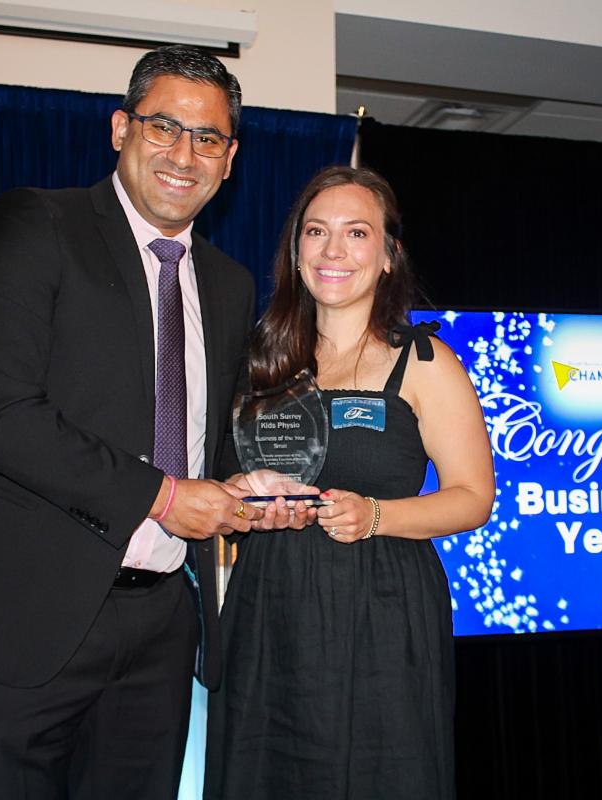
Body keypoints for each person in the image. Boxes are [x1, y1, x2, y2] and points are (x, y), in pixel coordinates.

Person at [0, 45, 269, 800]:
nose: (184, 155)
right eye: (164, 126)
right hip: (17, 616)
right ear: (121, 128)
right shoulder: (38, 225)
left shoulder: (229, 285)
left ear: (229, 161)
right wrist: (164, 496)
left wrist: (249, 487)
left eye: (208, 138)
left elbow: (203, 442)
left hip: (162, 627)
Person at [205, 166, 496, 799]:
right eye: (316, 232)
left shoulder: (424, 362)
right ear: (296, 252)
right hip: (268, 608)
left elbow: (474, 498)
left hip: (381, 609)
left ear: (389, 256)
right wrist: (244, 500)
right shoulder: (256, 362)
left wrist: (376, 516)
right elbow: (221, 483)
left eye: (356, 232)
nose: (333, 250)